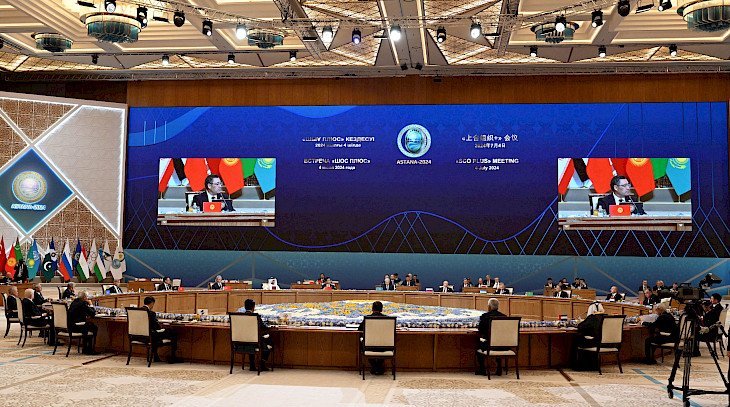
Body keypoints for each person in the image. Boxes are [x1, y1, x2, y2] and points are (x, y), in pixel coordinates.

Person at [142, 296, 182, 363]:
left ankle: (156, 356)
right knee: (173, 333)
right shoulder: (151, 313)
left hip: (140, 336)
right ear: (152, 303)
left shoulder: (137, 311)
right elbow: (158, 327)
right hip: (152, 335)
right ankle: (173, 357)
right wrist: (164, 328)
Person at [475, 298, 506, 376]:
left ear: (489, 307)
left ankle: (482, 369)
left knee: (478, 346)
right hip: (503, 345)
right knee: (497, 342)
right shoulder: (504, 316)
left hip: (488, 345)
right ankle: (499, 368)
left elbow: (481, 330)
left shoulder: (484, 316)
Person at [571, 302, 605, 370]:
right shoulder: (607, 317)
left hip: (595, 343)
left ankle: (577, 366)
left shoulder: (592, 318)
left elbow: (580, 327)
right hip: (606, 344)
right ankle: (594, 365)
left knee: (575, 339)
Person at [359, 301, 388, 375]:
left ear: (372, 309)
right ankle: (378, 367)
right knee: (388, 344)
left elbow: (359, 330)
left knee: (362, 343)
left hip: (369, 346)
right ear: (382, 309)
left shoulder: (367, 318)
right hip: (385, 346)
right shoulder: (388, 319)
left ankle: (375, 367)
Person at [242, 299, 272, 371]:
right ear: (253, 307)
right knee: (269, 339)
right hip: (255, 341)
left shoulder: (239, 316)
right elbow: (264, 327)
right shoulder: (255, 316)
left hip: (241, 341)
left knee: (251, 340)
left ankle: (252, 364)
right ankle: (262, 364)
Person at [68, 290, 99, 355]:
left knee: (88, 326)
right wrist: (91, 305)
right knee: (93, 328)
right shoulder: (83, 303)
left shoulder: (74, 302)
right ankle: (89, 349)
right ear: (84, 297)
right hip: (77, 327)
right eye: (87, 297)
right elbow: (92, 312)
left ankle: (85, 348)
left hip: (70, 326)